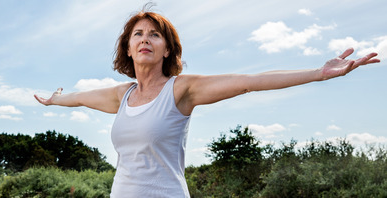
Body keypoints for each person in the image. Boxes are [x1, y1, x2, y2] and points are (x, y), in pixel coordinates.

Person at [34, 9, 380, 198]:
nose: (145, 39)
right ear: (127, 48)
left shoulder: (181, 90)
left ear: (167, 49)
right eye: (137, 34)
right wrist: (55, 100)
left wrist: (318, 73)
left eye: (155, 34)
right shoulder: (121, 95)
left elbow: (249, 82)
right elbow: (78, 98)